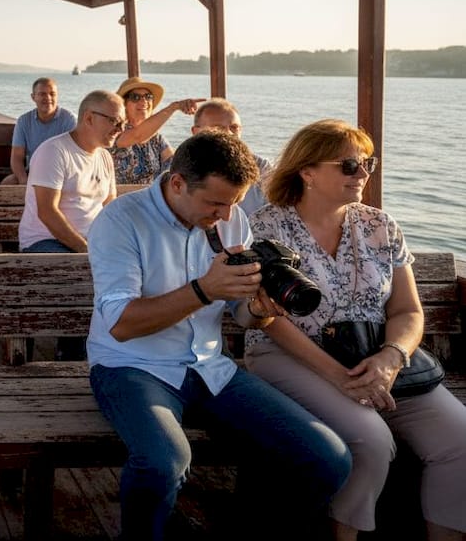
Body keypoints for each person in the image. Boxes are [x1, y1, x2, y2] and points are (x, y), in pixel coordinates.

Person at [86, 129, 351, 541]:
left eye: (233, 203)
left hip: (211, 367)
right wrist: (204, 289)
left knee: (327, 458)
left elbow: (240, 314)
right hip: (132, 368)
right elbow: (121, 324)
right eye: (215, 203)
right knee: (162, 462)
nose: (226, 216)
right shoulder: (121, 221)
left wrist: (258, 311)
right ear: (177, 183)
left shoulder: (232, 218)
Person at [242, 119, 466, 541]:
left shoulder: (380, 225)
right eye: (348, 165)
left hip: (375, 359)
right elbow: (269, 318)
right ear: (307, 171)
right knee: (371, 442)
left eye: (368, 163)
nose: (362, 173)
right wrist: (338, 377)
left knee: (462, 441)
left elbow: (407, 311)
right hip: (291, 355)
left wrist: (391, 357)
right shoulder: (265, 227)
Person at [19, 90, 119, 253]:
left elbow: (110, 205)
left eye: (123, 123)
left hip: (92, 240)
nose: (119, 129)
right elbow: (47, 212)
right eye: (114, 121)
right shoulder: (54, 151)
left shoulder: (105, 157)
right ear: (89, 118)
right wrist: (86, 250)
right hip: (46, 240)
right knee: (86, 272)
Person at [109, 76, 204, 184]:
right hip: (123, 198)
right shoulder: (114, 132)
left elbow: (176, 164)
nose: (143, 101)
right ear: (124, 104)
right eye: (135, 97)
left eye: (148, 96)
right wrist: (174, 107)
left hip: (151, 198)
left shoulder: (157, 139)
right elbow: (138, 136)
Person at [191, 98, 272, 216]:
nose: (229, 133)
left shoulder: (261, 167)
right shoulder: (185, 167)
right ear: (196, 132)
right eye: (218, 128)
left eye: (234, 127)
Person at [2, 77, 77, 185]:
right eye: (42, 94)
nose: (48, 98)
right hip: (33, 174)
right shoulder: (24, 121)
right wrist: (23, 180)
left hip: (62, 175)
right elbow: (17, 157)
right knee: (7, 183)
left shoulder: (69, 120)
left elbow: (74, 156)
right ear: (33, 97)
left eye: (52, 94)